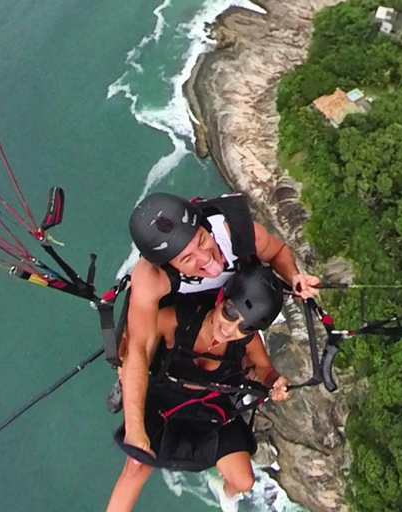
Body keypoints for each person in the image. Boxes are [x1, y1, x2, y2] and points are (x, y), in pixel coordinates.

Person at [120, 192, 319, 458]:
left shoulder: (237, 234)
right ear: (168, 265)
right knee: (129, 354)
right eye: (187, 259)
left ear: (204, 226)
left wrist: (294, 277)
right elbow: (139, 349)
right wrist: (134, 429)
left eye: (202, 240)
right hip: (187, 309)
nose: (206, 259)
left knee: (236, 355)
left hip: (231, 303)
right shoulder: (151, 278)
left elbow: (277, 251)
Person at [106, 265, 292, 512]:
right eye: (229, 312)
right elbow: (137, 347)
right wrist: (124, 362)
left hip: (211, 410)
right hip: (165, 404)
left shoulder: (247, 342)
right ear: (220, 298)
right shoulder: (177, 321)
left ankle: (225, 493)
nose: (230, 328)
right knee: (137, 465)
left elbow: (265, 371)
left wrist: (275, 382)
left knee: (244, 481)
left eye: (244, 327)